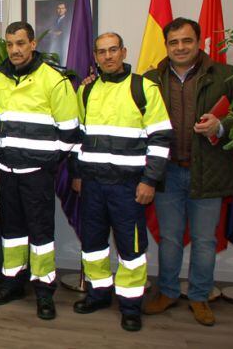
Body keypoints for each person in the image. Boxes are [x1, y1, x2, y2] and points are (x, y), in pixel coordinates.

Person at [69, 32, 172, 332]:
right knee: (93, 246)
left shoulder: (144, 88)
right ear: (96, 56)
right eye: (101, 52)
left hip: (129, 187)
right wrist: (77, 174)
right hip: (92, 186)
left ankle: (130, 305)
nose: (108, 56)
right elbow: (79, 138)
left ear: (124, 52)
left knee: (131, 249)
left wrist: (150, 181)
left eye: (113, 50)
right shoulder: (86, 92)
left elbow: (161, 139)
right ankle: (98, 294)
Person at [143, 18, 233, 326]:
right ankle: (169, 291)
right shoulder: (151, 79)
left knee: (203, 240)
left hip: (207, 171)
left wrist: (221, 125)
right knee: (169, 238)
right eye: (174, 42)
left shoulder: (225, 76)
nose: (180, 47)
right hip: (167, 172)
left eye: (186, 41)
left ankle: (199, 297)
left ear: (198, 42)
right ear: (166, 46)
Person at [0, 21, 78, 320]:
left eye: (21, 43)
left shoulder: (54, 80)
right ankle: (13, 284)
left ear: (33, 44)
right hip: (7, 172)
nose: (15, 49)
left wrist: (48, 163)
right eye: (10, 44)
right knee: (11, 234)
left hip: (38, 173)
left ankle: (43, 293)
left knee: (41, 235)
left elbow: (69, 131)